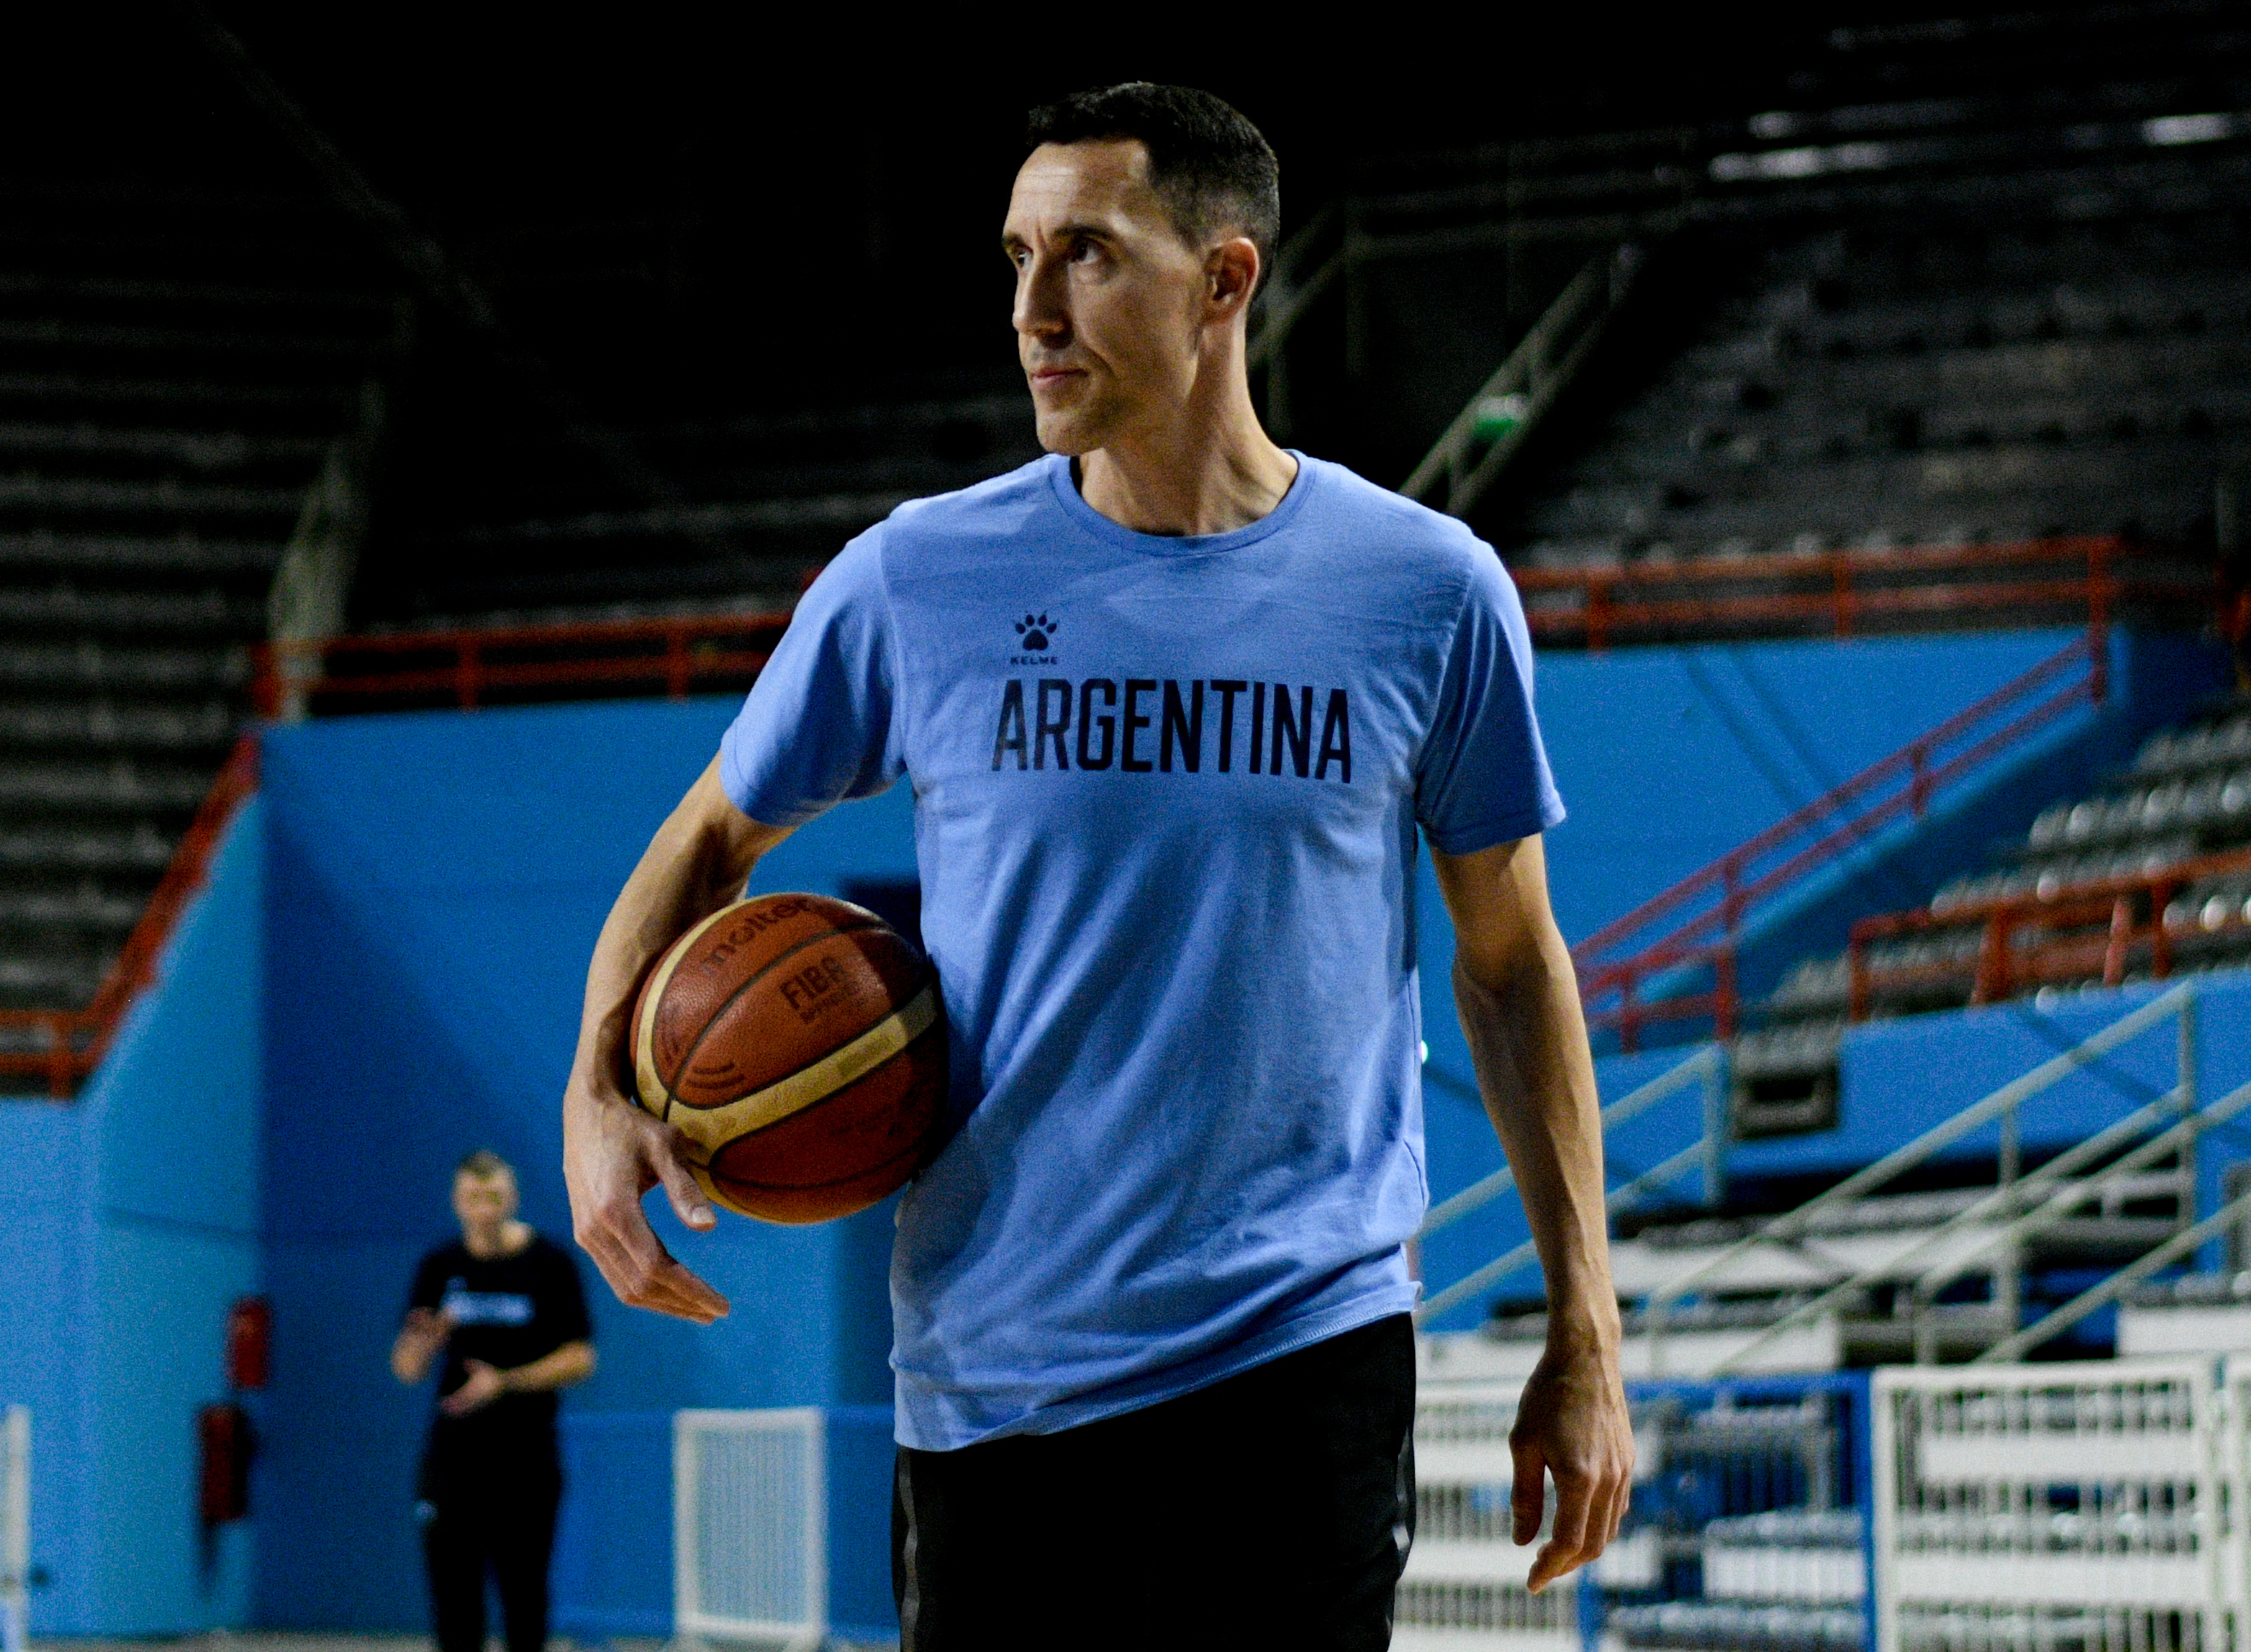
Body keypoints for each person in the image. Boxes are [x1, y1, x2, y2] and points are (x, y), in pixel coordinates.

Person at [563, 82, 1631, 1649]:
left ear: (1225, 280)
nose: (1030, 311)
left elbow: (1511, 963)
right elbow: (710, 837)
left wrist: (1584, 1326)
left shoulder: (1425, 592)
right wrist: (595, 1096)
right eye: (1014, 258)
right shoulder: (919, 578)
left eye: (1086, 257)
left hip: (1303, 1350)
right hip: (1000, 1365)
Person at [394, 1150, 595, 1652]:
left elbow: (580, 1358)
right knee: (455, 1602)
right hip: (453, 1461)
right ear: (457, 1202)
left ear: (513, 1198)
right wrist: (422, 1343)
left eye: (494, 1196)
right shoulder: (440, 1267)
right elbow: (406, 1369)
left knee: (524, 1597)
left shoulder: (549, 1263)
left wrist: (505, 1382)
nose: (483, 1208)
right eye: (472, 1197)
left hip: (526, 1459)